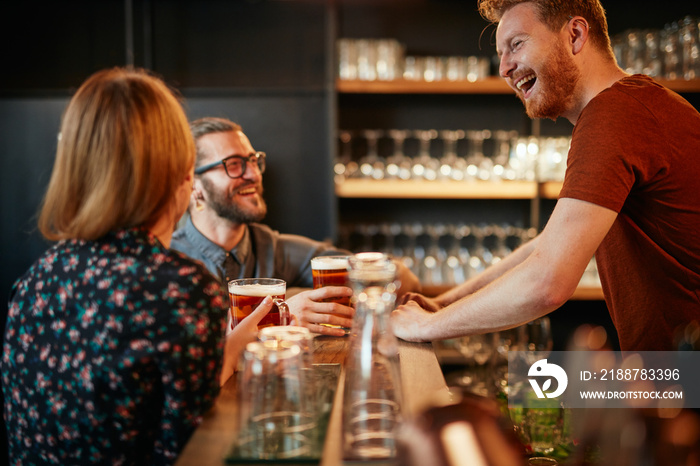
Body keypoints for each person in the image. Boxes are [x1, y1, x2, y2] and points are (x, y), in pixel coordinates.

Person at [391, 0, 700, 351]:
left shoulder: (617, 115)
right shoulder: (634, 106)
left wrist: (427, 326)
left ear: (575, 35)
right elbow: (552, 245)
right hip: (672, 375)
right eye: (501, 53)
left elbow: (547, 282)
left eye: (517, 44)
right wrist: (444, 304)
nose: (505, 67)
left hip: (683, 383)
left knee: (536, 392)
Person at [1, 68, 269, 465]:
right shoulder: (180, 289)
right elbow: (192, 450)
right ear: (183, 176)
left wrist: (224, 354)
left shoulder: (35, 280)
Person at [170, 117, 421, 336]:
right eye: (234, 164)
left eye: (254, 160)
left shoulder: (276, 248)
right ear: (193, 183)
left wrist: (300, 301)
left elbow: (402, 278)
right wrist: (282, 309)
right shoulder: (166, 258)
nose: (254, 174)